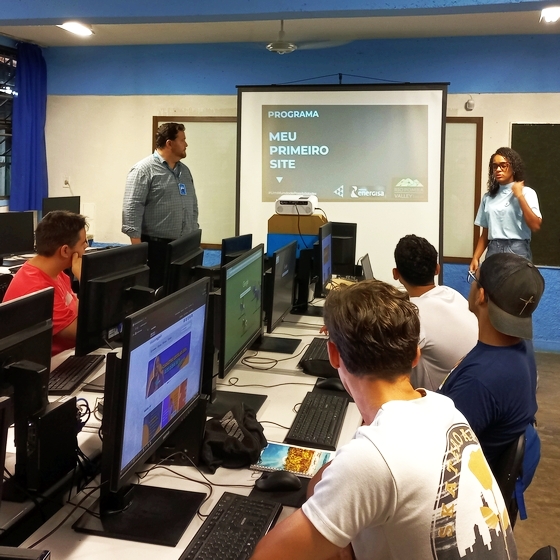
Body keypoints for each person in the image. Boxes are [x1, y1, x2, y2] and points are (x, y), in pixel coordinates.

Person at [251, 280, 516, 560]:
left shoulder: (373, 458)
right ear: (415, 355)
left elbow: (267, 556)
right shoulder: (445, 409)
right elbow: (324, 485)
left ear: (333, 355)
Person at [439, 253, 544, 488]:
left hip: (461, 491)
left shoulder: (480, 382)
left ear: (482, 295)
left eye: (473, 279)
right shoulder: (520, 347)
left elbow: (434, 458)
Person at [393, 234, 478, 390]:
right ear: (437, 269)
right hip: (473, 389)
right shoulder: (451, 293)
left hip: (445, 401)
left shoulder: (413, 316)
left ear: (396, 274)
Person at [122, 122, 199, 289]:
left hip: (184, 248)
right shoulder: (143, 170)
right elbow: (132, 209)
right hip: (156, 250)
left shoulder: (184, 171)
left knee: (182, 296)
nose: (186, 144)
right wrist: (139, 254)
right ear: (169, 143)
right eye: (182, 140)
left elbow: (193, 206)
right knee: (159, 300)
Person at [3, 210, 88, 356]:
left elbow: (77, 306)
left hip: (69, 356)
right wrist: (85, 279)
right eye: (83, 243)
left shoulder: (55, 272)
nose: (86, 246)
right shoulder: (37, 288)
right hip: (53, 369)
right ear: (65, 251)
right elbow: (82, 331)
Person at [470, 147, 542, 272]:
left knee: (516, 289)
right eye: (495, 166)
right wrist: (476, 257)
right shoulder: (488, 197)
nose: (498, 169)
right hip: (493, 249)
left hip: (517, 249)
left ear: (513, 167)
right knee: (493, 289)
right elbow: (485, 233)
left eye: (503, 165)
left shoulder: (527, 193)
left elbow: (535, 225)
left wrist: (519, 196)